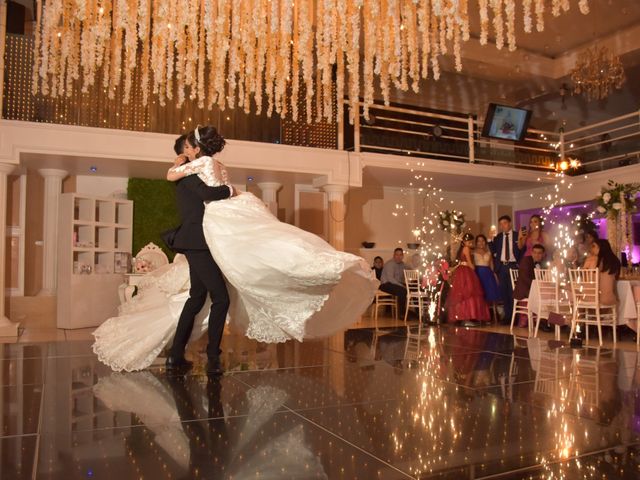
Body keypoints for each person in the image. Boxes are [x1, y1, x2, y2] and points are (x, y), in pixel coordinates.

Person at [92, 126, 378, 373]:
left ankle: (179, 355)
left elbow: (194, 185)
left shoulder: (192, 172)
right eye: (185, 149)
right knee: (220, 299)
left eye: (189, 148)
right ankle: (210, 357)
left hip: (201, 241)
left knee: (197, 297)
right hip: (198, 242)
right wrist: (231, 192)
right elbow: (207, 194)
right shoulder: (191, 176)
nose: (188, 152)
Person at [447, 233, 490, 325]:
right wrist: (474, 268)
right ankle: (467, 317)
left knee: (463, 293)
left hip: (462, 271)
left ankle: (463, 317)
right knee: (468, 292)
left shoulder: (463, 249)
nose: (470, 242)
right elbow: (470, 263)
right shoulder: (466, 249)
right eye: (469, 241)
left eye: (471, 241)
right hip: (466, 271)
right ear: (464, 241)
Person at [490, 215, 521, 324]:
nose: (503, 226)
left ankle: (515, 316)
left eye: (505, 223)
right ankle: (507, 316)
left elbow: (521, 250)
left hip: (513, 266)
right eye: (501, 224)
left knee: (513, 292)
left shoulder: (517, 235)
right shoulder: (498, 237)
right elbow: (492, 250)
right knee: (504, 292)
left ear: (510, 224)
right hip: (502, 266)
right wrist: (490, 239)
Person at [513, 244, 546, 328]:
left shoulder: (544, 264)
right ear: (531, 253)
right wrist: (538, 287)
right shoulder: (526, 260)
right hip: (525, 289)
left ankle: (544, 321)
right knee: (544, 298)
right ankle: (541, 321)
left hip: (536, 289)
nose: (537, 255)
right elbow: (525, 278)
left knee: (548, 298)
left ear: (543, 254)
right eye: (535, 252)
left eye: (539, 253)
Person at [582, 239, 620, 306]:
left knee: (574, 292)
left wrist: (587, 263)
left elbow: (587, 280)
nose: (591, 249)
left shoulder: (595, 260)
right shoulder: (615, 260)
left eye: (593, 246)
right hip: (611, 298)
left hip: (598, 299)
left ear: (601, 248)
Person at [379, 248, 409, 315]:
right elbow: (391, 279)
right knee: (402, 290)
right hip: (385, 284)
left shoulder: (403, 264)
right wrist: (402, 285)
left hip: (395, 284)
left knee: (414, 289)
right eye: (397, 255)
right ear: (393, 255)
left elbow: (409, 270)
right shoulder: (390, 264)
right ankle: (401, 314)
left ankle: (419, 313)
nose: (399, 257)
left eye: (400, 255)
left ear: (403, 256)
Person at [474, 234, 500, 305]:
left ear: (485, 242)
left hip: (488, 274)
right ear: (476, 243)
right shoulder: (473, 252)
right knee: (479, 294)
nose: (481, 243)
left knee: (489, 294)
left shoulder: (489, 252)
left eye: (482, 241)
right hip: (478, 274)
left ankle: (491, 313)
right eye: (479, 241)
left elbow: (492, 265)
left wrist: (495, 276)